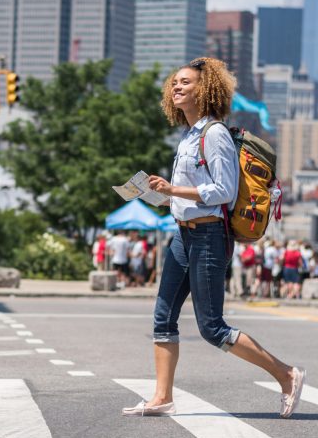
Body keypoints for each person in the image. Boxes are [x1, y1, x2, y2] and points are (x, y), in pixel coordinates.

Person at [123, 57, 304, 419]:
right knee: (163, 317)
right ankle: (162, 397)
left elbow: (223, 190)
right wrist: (162, 194)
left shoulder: (214, 134)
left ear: (204, 90)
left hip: (208, 237)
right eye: (174, 82)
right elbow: (194, 189)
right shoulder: (189, 136)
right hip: (183, 236)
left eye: (185, 83)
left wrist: (173, 187)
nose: (176, 87)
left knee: (211, 327)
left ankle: (286, 374)